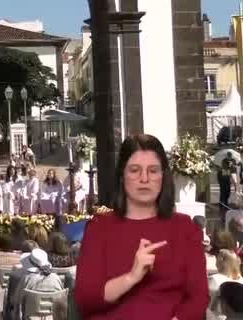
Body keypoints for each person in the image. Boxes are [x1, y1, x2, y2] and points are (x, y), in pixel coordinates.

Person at [73, 133, 207, 319]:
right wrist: (131, 277)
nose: (144, 179)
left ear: (163, 176)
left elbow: (198, 298)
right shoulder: (99, 228)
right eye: (135, 170)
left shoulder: (185, 229)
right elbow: (85, 299)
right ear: (122, 176)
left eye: (153, 170)